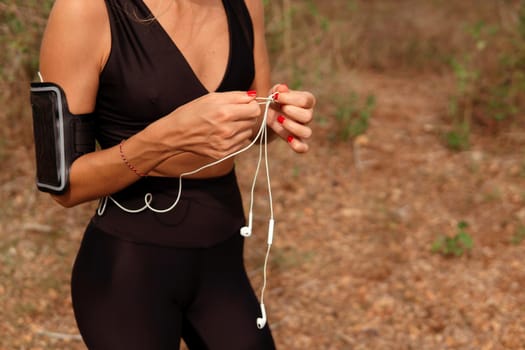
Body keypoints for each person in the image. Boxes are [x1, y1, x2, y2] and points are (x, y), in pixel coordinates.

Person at [37, 0, 315, 348]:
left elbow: (252, 119)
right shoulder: (85, 9)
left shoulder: (247, 4)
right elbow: (63, 186)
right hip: (128, 271)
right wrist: (164, 139)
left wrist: (274, 117)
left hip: (224, 256)